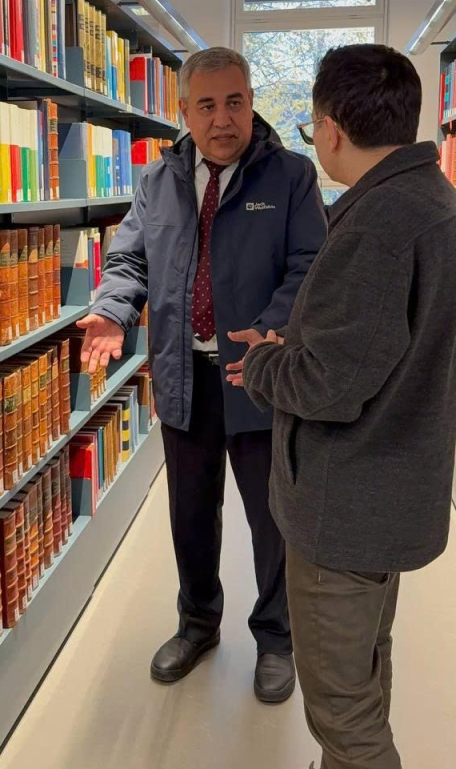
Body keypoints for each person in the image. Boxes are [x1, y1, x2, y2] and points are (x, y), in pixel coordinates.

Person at [228, 44, 456, 767]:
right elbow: (381, 345)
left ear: (329, 129)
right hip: (393, 489)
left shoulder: (377, 224)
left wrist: (262, 363)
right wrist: (297, 341)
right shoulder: (432, 200)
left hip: (345, 506)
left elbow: (329, 385)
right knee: (364, 668)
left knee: (343, 712)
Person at [78, 46, 326, 702]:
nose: (223, 119)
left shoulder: (291, 177)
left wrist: (271, 327)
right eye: (208, 105)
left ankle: (276, 639)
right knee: (190, 514)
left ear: (252, 103)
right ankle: (197, 625)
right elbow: (128, 261)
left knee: (273, 520)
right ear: (184, 110)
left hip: (258, 377)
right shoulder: (157, 182)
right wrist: (112, 310)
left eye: (235, 102)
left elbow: (310, 264)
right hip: (182, 375)